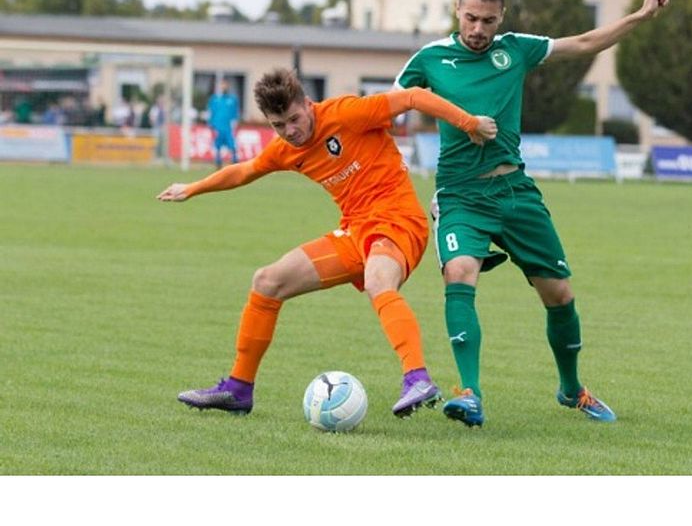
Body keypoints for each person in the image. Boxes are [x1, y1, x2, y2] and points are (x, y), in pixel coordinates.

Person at [393, 0, 669, 427]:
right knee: (459, 273)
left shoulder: (515, 48)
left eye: (487, 20)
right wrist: (463, 121)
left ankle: (571, 389)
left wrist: (639, 15)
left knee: (559, 296)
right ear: (456, 12)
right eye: (470, 18)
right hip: (461, 194)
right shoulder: (431, 58)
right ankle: (470, 392)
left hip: (516, 191)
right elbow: (390, 104)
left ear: (501, 18)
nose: (478, 29)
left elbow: (583, 43)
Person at [158, 68, 498, 417]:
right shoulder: (285, 149)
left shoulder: (347, 113)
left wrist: (469, 123)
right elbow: (245, 170)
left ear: (308, 104)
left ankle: (417, 378)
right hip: (355, 231)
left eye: (294, 118)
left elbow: (413, 97)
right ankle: (238, 388)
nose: (290, 131)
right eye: (279, 125)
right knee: (266, 282)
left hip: (398, 221)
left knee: (377, 280)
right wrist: (192, 188)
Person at [207, 79, 240, 168]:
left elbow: (236, 113)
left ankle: (234, 161)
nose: (223, 87)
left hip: (229, 127)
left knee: (232, 145)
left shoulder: (233, 99)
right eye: (222, 85)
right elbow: (210, 112)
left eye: (225, 85)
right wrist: (211, 124)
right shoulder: (214, 99)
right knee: (217, 145)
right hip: (217, 127)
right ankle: (218, 162)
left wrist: (235, 122)